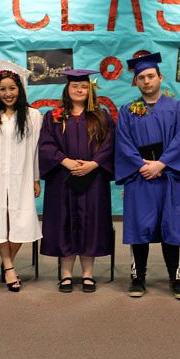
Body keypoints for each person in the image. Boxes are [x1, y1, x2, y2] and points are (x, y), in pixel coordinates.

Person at [115, 53, 180, 300]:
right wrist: (142, 166)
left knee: (173, 231)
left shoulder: (178, 108)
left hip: (168, 178)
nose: (147, 81)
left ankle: (178, 278)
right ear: (136, 82)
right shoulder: (128, 111)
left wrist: (160, 164)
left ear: (160, 77)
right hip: (140, 180)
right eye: (141, 77)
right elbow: (123, 143)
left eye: (151, 76)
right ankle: (137, 278)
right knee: (139, 231)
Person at [39, 69, 114, 293]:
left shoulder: (101, 116)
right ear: (67, 89)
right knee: (65, 223)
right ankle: (66, 275)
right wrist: (65, 161)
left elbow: (110, 144)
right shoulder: (53, 116)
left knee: (91, 224)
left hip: (94, 180)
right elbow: (46, 145)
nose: (79, 90)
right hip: (63, 179)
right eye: (75, 86)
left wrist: (94, 163)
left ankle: (88, 275)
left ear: (90, 90)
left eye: (83, 86)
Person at [0, 60, 42, 292]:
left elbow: (35, 150)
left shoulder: (34, 116)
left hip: (22, 176)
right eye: (3, 89)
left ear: (20, 89)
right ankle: (9, 267)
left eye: (12, 88)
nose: (8, 93)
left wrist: (35, 178)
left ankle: (7, 265)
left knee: (21, 222)